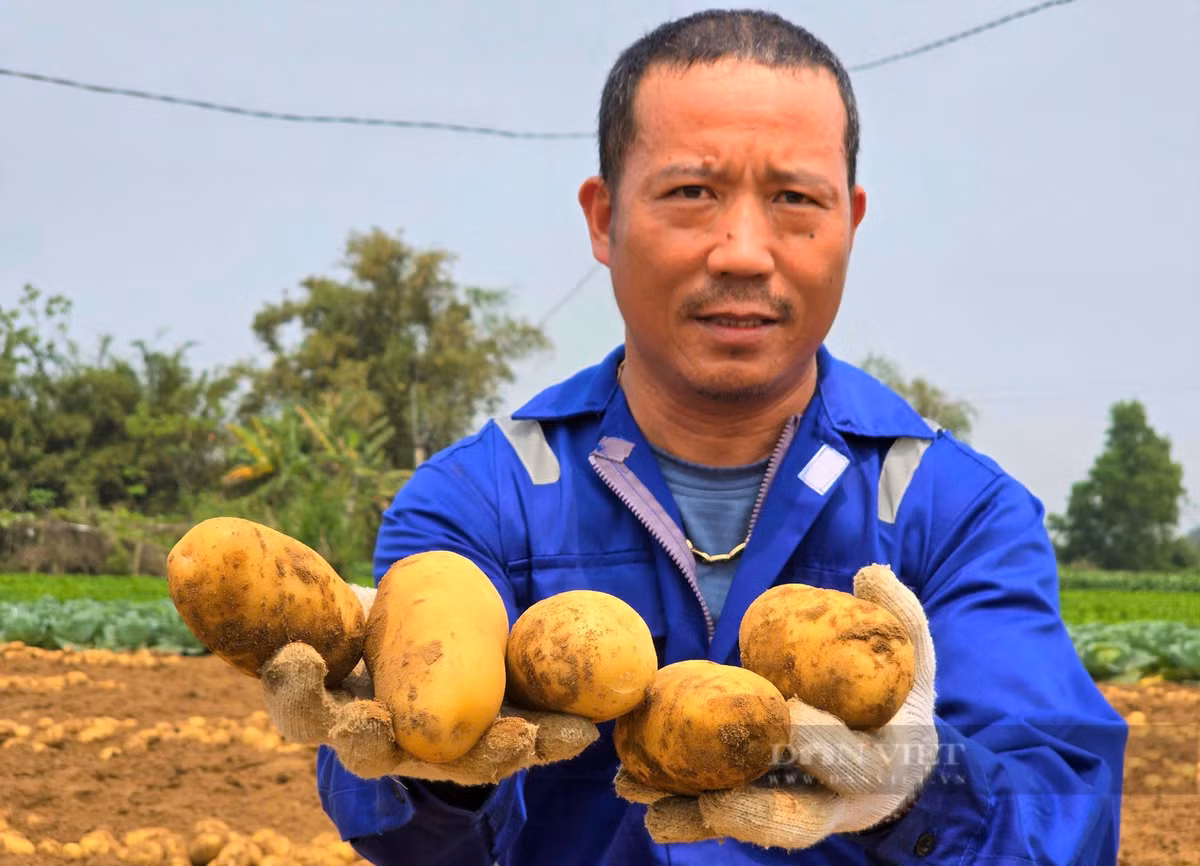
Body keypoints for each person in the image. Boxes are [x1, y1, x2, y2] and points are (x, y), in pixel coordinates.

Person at [262, 9, 1127, 865]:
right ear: (603, 220)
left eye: (794, 197)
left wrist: (912, 789)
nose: (743, 251)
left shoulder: (959, 511)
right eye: (691, 193)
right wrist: (433, 771)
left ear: (850, 221)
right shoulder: (478, 504)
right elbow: (412, 848)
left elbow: (1068, 827)